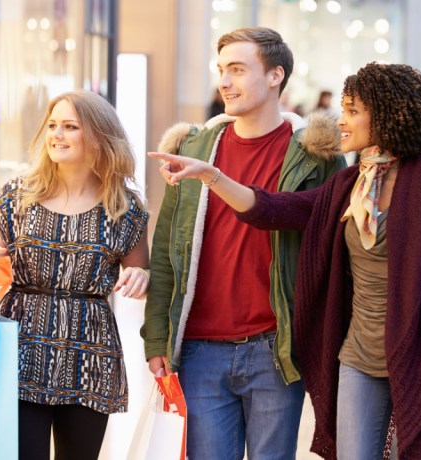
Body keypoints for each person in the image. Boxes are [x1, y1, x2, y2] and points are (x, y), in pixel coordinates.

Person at [149, 62, 421, 460]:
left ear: (389, 117)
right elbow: (271, 209)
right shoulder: (347, 186)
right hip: (357, 358)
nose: (342, 121)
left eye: (353, 111)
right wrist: (212, 175)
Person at [141, 27, 345, 459]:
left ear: (275, 76)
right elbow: (166, 253)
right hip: (199, 350)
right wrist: (157, 338)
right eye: (221, 70)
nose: (225, 82)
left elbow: (332, 254)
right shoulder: (195, 147)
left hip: (276, 348)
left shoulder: (314, 156)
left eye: (237, 69)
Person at [0, 90, 150, 460]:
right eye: (52, 125)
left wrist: (142, 277)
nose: (57, 135)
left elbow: (138, 271)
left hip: (90, 353)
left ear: (98, 136)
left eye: (70, 127)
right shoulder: (18, 197)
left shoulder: (124, 208)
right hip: (19, 350)